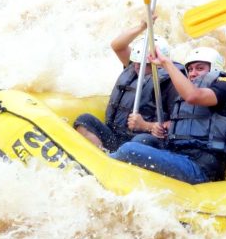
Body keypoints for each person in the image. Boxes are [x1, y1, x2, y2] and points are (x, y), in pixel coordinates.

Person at [110, 47, 226, 184]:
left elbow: (193, 96)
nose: (193, 73)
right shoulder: (192, 91)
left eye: (200, 68)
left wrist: (166, 63)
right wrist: (163, 130)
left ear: (214, 68)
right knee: (143, 140)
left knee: (129, 150)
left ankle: (104, 166)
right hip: (180, 154)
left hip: (200, 167)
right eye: (190, 69)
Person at [73, 22, 179, 151]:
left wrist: (146, 126)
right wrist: (142, 26)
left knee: (138, 142)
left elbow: (179, 124)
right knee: (85, 120)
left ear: (158, 62)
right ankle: (103, 158)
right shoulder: (134, 68)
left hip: (143, 141)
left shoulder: (172, 82)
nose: (136, 66)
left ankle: (119, 161)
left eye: (142, 63)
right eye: (135, 62)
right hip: (116, 135)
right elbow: (118, 46)